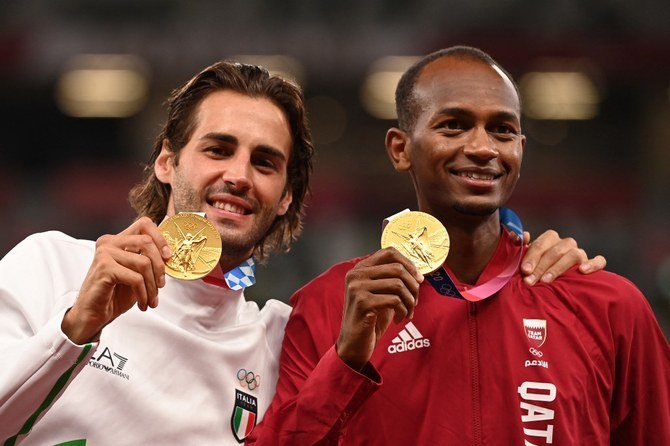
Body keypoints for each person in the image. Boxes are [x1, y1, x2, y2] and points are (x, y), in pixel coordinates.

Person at [0, 59, 603, 445]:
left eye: (265, 163)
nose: (239, 175)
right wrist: (74, 329)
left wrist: (527, 260)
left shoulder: (277, 338)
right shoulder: (50, 264)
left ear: (285, 197)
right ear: (166, 161)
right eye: (218, 149)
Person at [249, 46, 670, 445]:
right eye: (454, 125)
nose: (482, 148)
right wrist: (345, 361)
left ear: (519, 152)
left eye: (502, 130)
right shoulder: (331, 304)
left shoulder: (609, 306)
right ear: (400, 149)